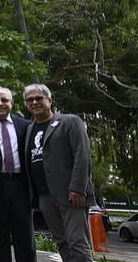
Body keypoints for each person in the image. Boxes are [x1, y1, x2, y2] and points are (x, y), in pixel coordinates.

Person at [23, 84, 95, 262]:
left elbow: (82, 155)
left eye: (39, 98)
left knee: (78, 242)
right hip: (45, 196)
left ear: (50, 100)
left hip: (70, 194)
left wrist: (78, 189)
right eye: (30, 99)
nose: (34, 102)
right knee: (62, 242)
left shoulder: (70, 122)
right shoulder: (29, 129)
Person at [0, 86, 35, 262]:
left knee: (25, 237)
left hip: (21, 187)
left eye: (4, 100)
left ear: (12, 102)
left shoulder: (26, 126)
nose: (0, 104)